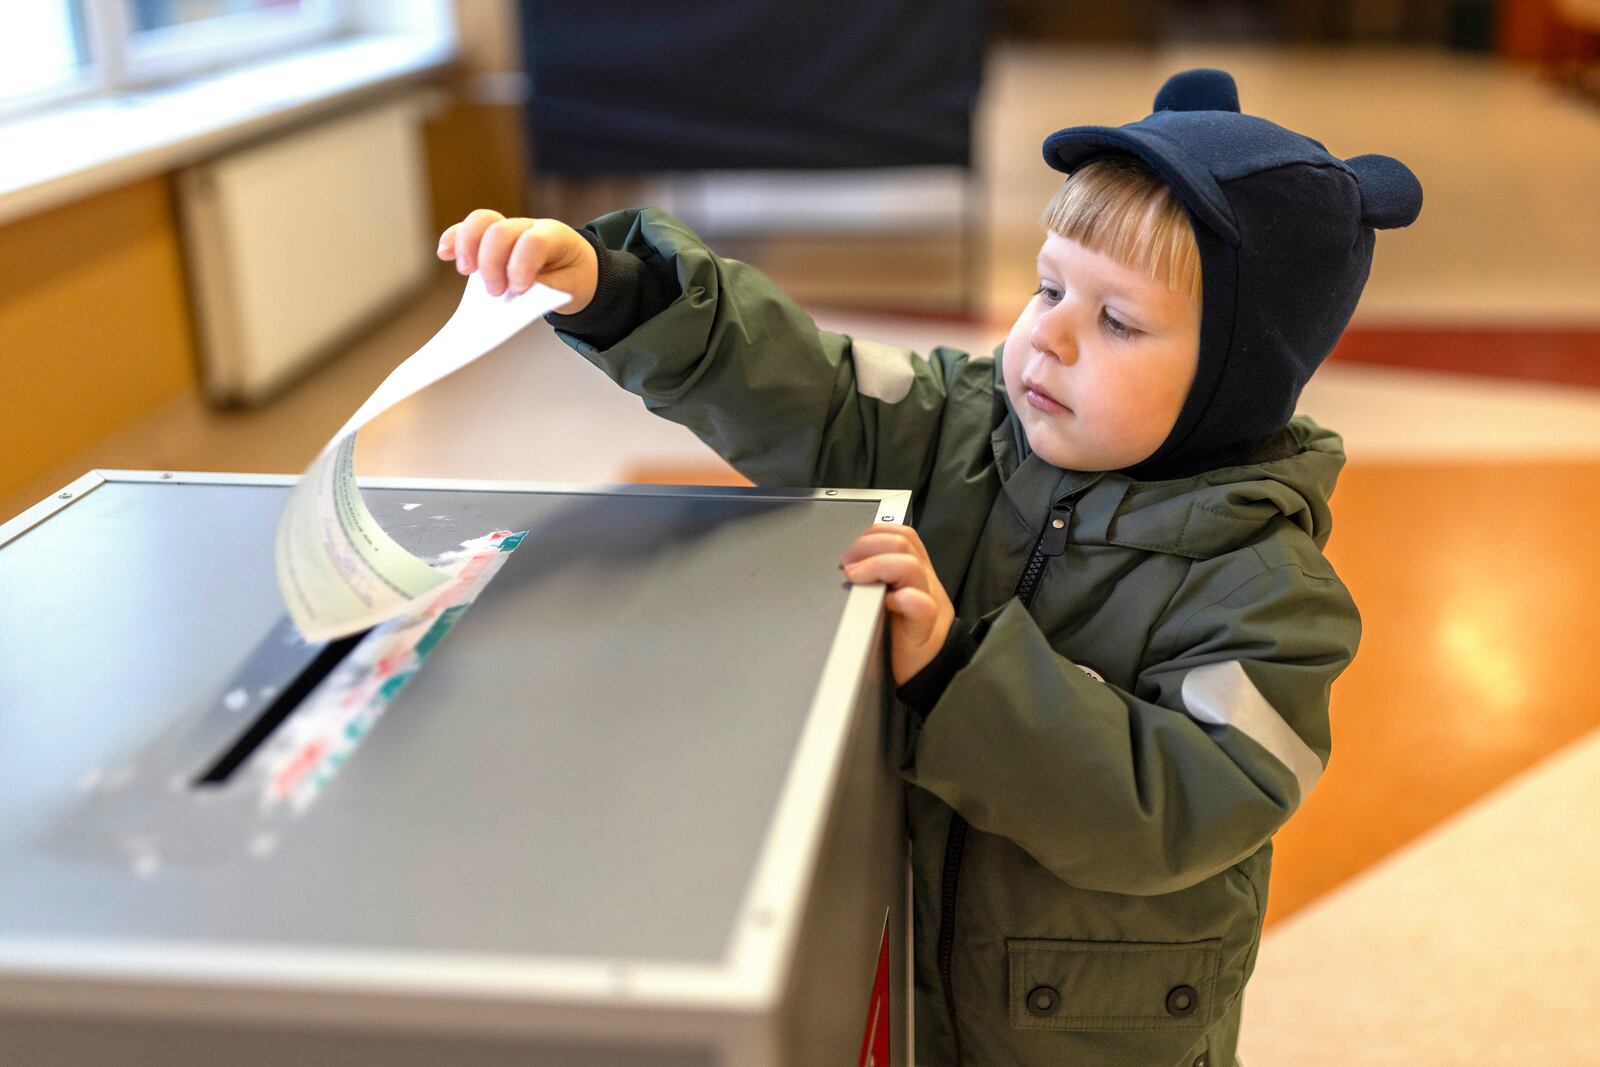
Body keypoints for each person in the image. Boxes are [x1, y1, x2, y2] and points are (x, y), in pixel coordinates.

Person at [436, 68, 1422, 1067]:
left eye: (1116, 320)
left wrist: (960, 676)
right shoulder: (960, 419)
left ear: (1233, 378)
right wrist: (626, 292)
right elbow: (812, 392)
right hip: (915, 974)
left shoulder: (1271, 593)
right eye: (1048, 286)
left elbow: (1188, 801)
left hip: (1092, 1025)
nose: (1049, 334)